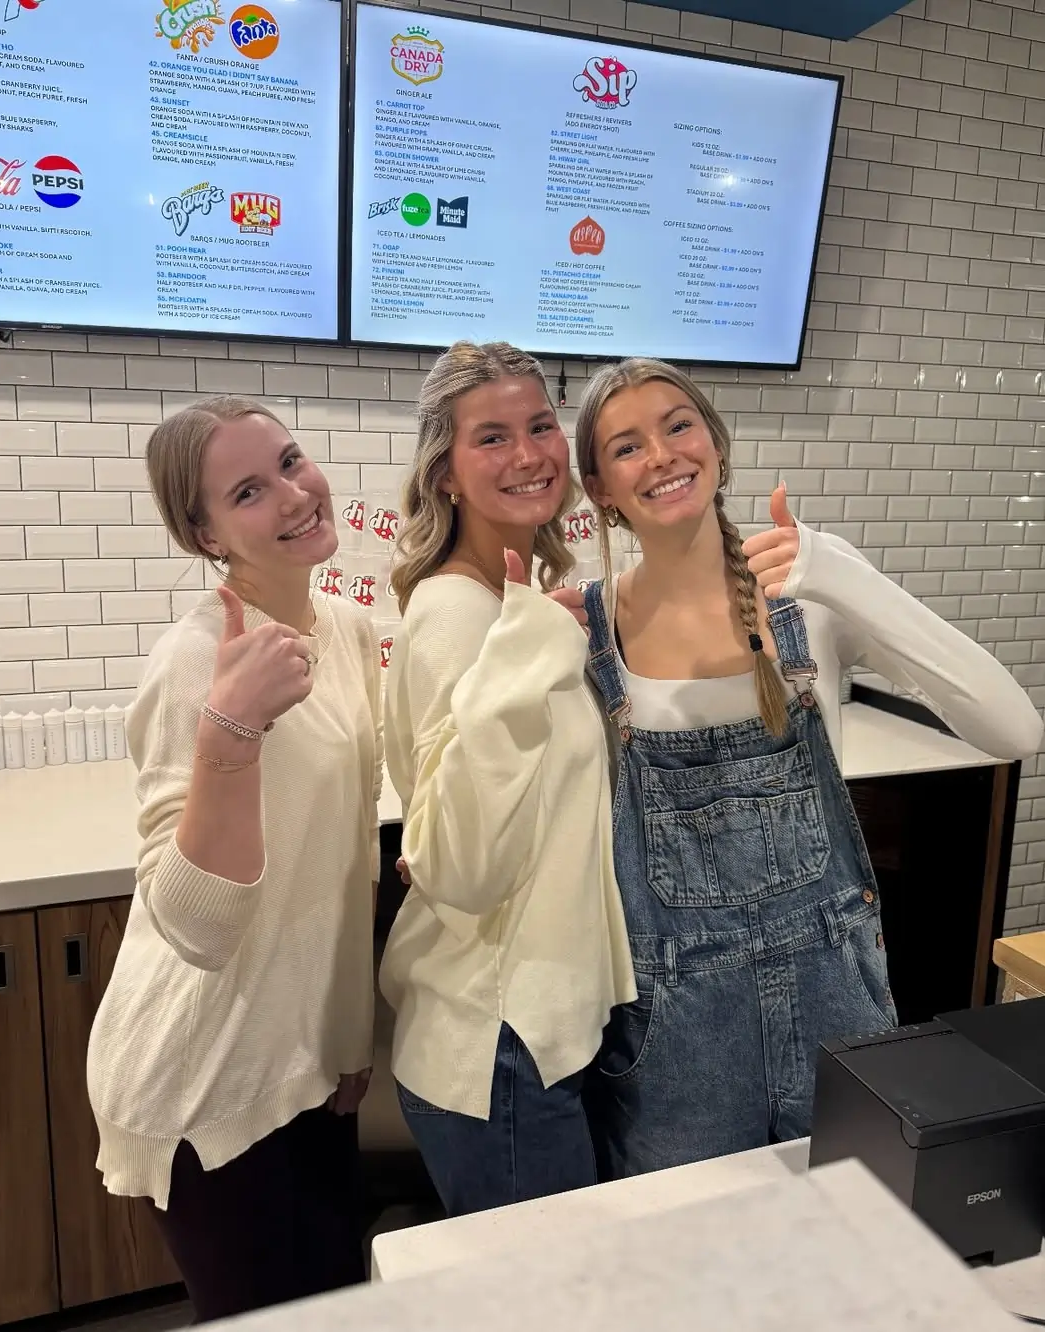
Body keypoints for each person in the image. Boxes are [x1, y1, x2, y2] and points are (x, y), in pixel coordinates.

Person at [574, 357, 1044, 1179]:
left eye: (678, 424)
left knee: (853, 1236)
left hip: (838, 994)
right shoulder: (584, 628)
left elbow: (1014, 730)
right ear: (599, 487)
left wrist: (844, 576)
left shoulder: (809, 593)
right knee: (692, 1266)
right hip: (675, 1031)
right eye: (626, 446)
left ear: (715, 442)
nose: (661, 455)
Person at [86, 396, 382, 1322]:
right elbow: (194, 926)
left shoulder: (346, 632)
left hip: (300, 1067)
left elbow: (344, 866)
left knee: (338, 1302)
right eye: (249, 490)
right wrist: (233, 728)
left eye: (292, 462)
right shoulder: (195, 665)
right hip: (205, 1076)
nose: (296, 495)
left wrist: (346, 1043)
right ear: (203, 533)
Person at [380, 341, 636, 1217]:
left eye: (538, 427)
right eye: (491, 437)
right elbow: (467, 867)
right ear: (444, 473)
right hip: (498, 1043)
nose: (528, 454)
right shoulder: (460, 612)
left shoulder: (521, 597)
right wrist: (532, 650)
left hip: (537, 1029)